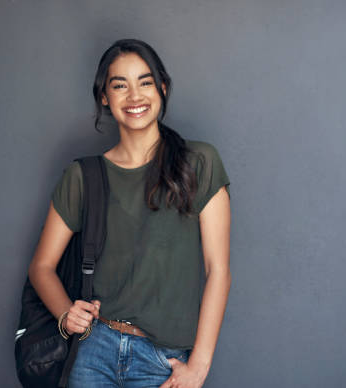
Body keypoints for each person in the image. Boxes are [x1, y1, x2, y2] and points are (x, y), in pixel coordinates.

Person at [27, 38, 231, 388]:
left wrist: (199, 365)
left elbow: (219, 270)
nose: (135, 96)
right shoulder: (85, 176)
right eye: (120, 85)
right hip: (94, 352)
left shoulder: (199, 163)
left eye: (145, 82)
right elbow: (41, 267)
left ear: (162, 88)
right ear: (104, 96)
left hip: (163, 360)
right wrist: (66, 314)